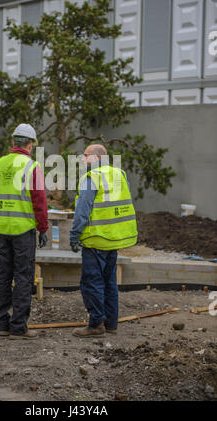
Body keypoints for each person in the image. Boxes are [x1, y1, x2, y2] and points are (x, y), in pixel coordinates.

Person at [69, 144, 137, 338]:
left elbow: (83, 209)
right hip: (114, 239)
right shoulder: (120, 175)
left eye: (86, 156)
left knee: (92, 282)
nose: (83, 159)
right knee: (109, 282)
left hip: (96, 239)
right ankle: (111, 323)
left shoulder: (92, 178)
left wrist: (75, 235)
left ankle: (96, 324)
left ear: (97, 158)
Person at [0, 123, 48, 339]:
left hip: (1, 229)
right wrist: (43, 228)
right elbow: (39, 202)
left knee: (2, 276)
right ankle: (18, 328)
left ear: (13, 142)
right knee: (23, 277)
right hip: (23, 229)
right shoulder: (32, 167)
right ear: (30, 145)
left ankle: (1, 326)